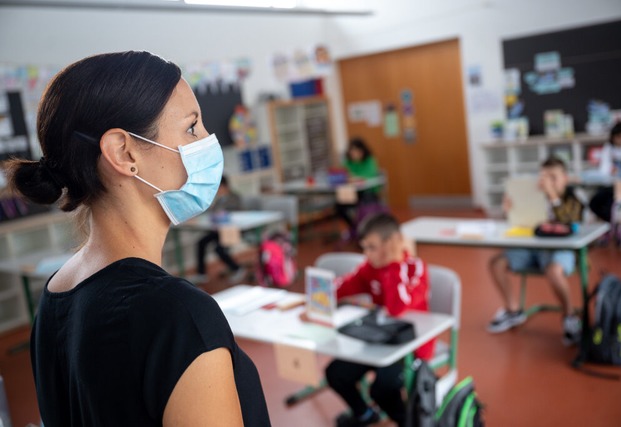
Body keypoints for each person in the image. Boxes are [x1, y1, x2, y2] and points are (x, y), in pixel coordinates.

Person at [5, 51, 270, 426]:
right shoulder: (178, 316)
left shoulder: (56, 294)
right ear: (123, 153)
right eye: (192, 128)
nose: (208, 141)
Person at [323, 213, 434, 427]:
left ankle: (407, 422)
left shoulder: (415, 269)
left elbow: (396, 307)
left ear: (391, 244)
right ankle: (365, 415)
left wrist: (393, 264)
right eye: (364, 247)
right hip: (379, 339)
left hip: (412, 346)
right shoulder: (370, 268)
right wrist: (317, 296)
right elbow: (343, 286)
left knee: (382, 389)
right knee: (335, 373)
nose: (366, 254)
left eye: (371, 247)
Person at [487, 156, 584, 346]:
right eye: (543, 177)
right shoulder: (533, 194)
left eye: (553, 177)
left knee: (554, 272)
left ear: (565, 177)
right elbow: (518, 223)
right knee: (497, 263)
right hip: (531, 246)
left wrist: (554, 197)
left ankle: (569, 316)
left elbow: (572, 220)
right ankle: (513, 310)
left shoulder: (574, 195)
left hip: (561, 247)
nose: (547, 182)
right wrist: (508, 210)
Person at [588, 121, 621, 247]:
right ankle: (615, 227)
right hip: (613, 186)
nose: (620, 140)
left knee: (611, 204)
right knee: (595, 202)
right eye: (618, 137)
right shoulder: (609, 149)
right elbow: (604, 171)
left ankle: (612, 231)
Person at [194, 175, 247, 284]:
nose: (216, 191)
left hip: (232, 231)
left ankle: (237, 269)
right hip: (219, 231)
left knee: (219, 248)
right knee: (201, 242)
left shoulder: (235, 197)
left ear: (224, 187)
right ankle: (201, 274)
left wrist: (222, 214)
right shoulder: (219, 200)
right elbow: (211, 213)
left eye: (218, 187)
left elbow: (238, 213)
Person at [336, 137, 383, 240]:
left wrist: (355, 178)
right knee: (339, 206)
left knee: (363, 204)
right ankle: (355, 227)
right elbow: (343, 173)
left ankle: (363, 229)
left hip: (368, 192)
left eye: (356, 150)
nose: (354, 153)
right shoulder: (348, 162)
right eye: (352, 150)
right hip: (353, 193)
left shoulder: (369, 160)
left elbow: (369, 176)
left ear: (362, 151)